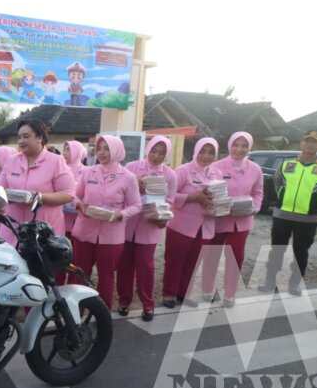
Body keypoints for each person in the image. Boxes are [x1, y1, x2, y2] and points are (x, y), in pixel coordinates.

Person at [260, 130, 317, 295]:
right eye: (307, 141)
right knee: (277, 250)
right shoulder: (286, 164)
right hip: (283, 215)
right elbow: (277, 183)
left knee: (301, 252)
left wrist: (315, 206)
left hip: (308, 219)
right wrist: (282, 197)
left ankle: (294, 285)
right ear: (301, 143)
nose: (310, 144)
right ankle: (269, 283)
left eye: (315, 142)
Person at [71, 135, 141, 310]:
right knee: (80, 272)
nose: (101, 152)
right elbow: (75, 195)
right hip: (84, 231)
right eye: (99, 148)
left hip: (111, 236)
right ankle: (76, 309)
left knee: (106, 276)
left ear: (117, 150)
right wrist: (79, 205)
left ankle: (102, 313)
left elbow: (137, 205)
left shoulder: (128, 177)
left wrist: (121, 215)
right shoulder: (88, 172)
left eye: (106, 148)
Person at [116, 135, 178, 321]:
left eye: (162, 153)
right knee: (124, 266)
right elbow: (121, 194)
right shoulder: (131, 167)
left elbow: (170, 202)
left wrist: (161, 215)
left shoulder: (169, 175)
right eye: (154, 150)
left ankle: (147, 304)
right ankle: (124, 301)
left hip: (150, 227)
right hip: (127, 226)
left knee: (146, 267)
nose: (156, 156)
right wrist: (137, 185)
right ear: (147, 149)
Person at [200, 132, 264, 307]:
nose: (239, 149)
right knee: (212, 255)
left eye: (244, 146)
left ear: (249, 148)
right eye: (236, 145)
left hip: (242, 221)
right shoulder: (216, 166)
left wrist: (255, 208)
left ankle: (230, 293)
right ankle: (207, 289)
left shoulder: (255, 169)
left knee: (235, 257)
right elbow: (208, 190)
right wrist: (216, 204)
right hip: (220, 219)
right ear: (230, 145)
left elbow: (258, 193)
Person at [0, 119, 75, 246]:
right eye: (19, 137)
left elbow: (68, 194)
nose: (21, 141)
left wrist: (39, 198)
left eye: (26, 136)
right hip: (13, 230)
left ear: (39, 137)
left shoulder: (56, 161)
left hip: (43, 233)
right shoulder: (11, 161)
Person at [162, 138, 222, 308]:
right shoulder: (182, 171)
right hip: (181, 225)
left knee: (194, 261)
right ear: (196, 151)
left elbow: (220, 196)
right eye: (203, 151)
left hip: (206, 225)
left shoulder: (216, 174)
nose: (206, 156)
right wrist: (193, 197)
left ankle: (184, 292)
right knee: (175, 260)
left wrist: (217, 203)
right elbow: (170, 196)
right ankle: (169, 293)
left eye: (211, 152)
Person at [62, 140, 87, 236]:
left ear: (77, 152)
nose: (64, 153)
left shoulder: (87, 171)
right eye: (64, 150)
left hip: (78, 216)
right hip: (61, 216)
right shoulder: (60, 168)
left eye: (68, 150)